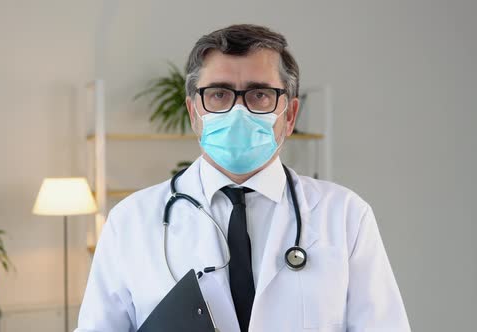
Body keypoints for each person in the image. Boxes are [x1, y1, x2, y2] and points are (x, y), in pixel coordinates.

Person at [75, 24, 411, 332]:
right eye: (218, 94)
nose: (238, 111)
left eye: (259, 95)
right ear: (194, 113)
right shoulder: (130, 222)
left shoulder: (346, 216)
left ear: (290, 115)